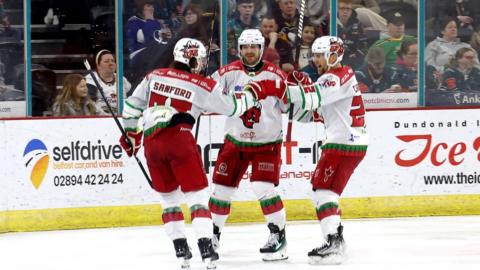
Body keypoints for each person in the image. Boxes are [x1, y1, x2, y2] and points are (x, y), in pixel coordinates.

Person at [119, 37, 261, 269]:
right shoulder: (202, 84)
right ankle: (206, 249)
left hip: (151, 143)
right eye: (201, 59)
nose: (202, 63)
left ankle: (181, 250)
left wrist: (130, 134)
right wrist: (251, 94)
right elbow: (232, 108)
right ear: (192, 58)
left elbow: (132, 106)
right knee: (197, 197)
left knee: (168, 199)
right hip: (180, 138)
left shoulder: (154, 75)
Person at [245, 35, 368, 265]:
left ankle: (333, 243)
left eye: (321, 55)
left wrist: (282, 87)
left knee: (323, 192)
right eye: (316, 55)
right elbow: (311, 112)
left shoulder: (334, 77)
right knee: (324, 192)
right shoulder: (338, 77)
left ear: (334, 55)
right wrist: (299, 89)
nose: (317, 60)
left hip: (342, 143)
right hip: (351, 142)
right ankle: (336, 238)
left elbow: (311, 99)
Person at [207, 28, 290, 262]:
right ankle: (212, 236)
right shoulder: (228, 72)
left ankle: (278, 236)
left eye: (253, 47)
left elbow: (288, 107)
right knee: (221, 191)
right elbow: (205, 92)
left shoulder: (275, 74)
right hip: (235, 141)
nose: (249, 51)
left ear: (261, 49)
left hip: (266, 143)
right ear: (239, 49)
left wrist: (292, 89)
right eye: (245, 47)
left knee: (263, 188)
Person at [85, 49, 132, 114]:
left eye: (113, 61)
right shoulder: (91, 79)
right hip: (99, 118)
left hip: (122, 116)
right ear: (98, 65)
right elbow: (89, 103)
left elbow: (132, 100)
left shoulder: (122, 79)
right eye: (106, 61)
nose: (111, 63)